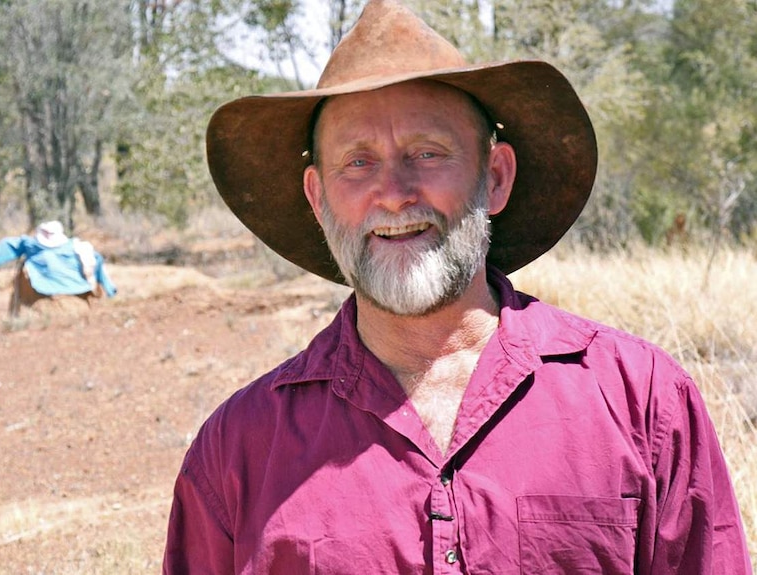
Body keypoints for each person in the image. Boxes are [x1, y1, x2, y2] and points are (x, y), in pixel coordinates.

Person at [162, 1, 752, 573]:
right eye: (358, 163)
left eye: (427, 153)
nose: (394, 192)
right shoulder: (239, 450)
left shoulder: (642, 401)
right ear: (318, 199)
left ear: (494, 178)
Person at [0, 220, 117, 315]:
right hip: (76, 288)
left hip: (44, 291)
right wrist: (110, 290)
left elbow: (8, 245)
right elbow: (97, 260)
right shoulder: (76, 247)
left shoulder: (31, 244)